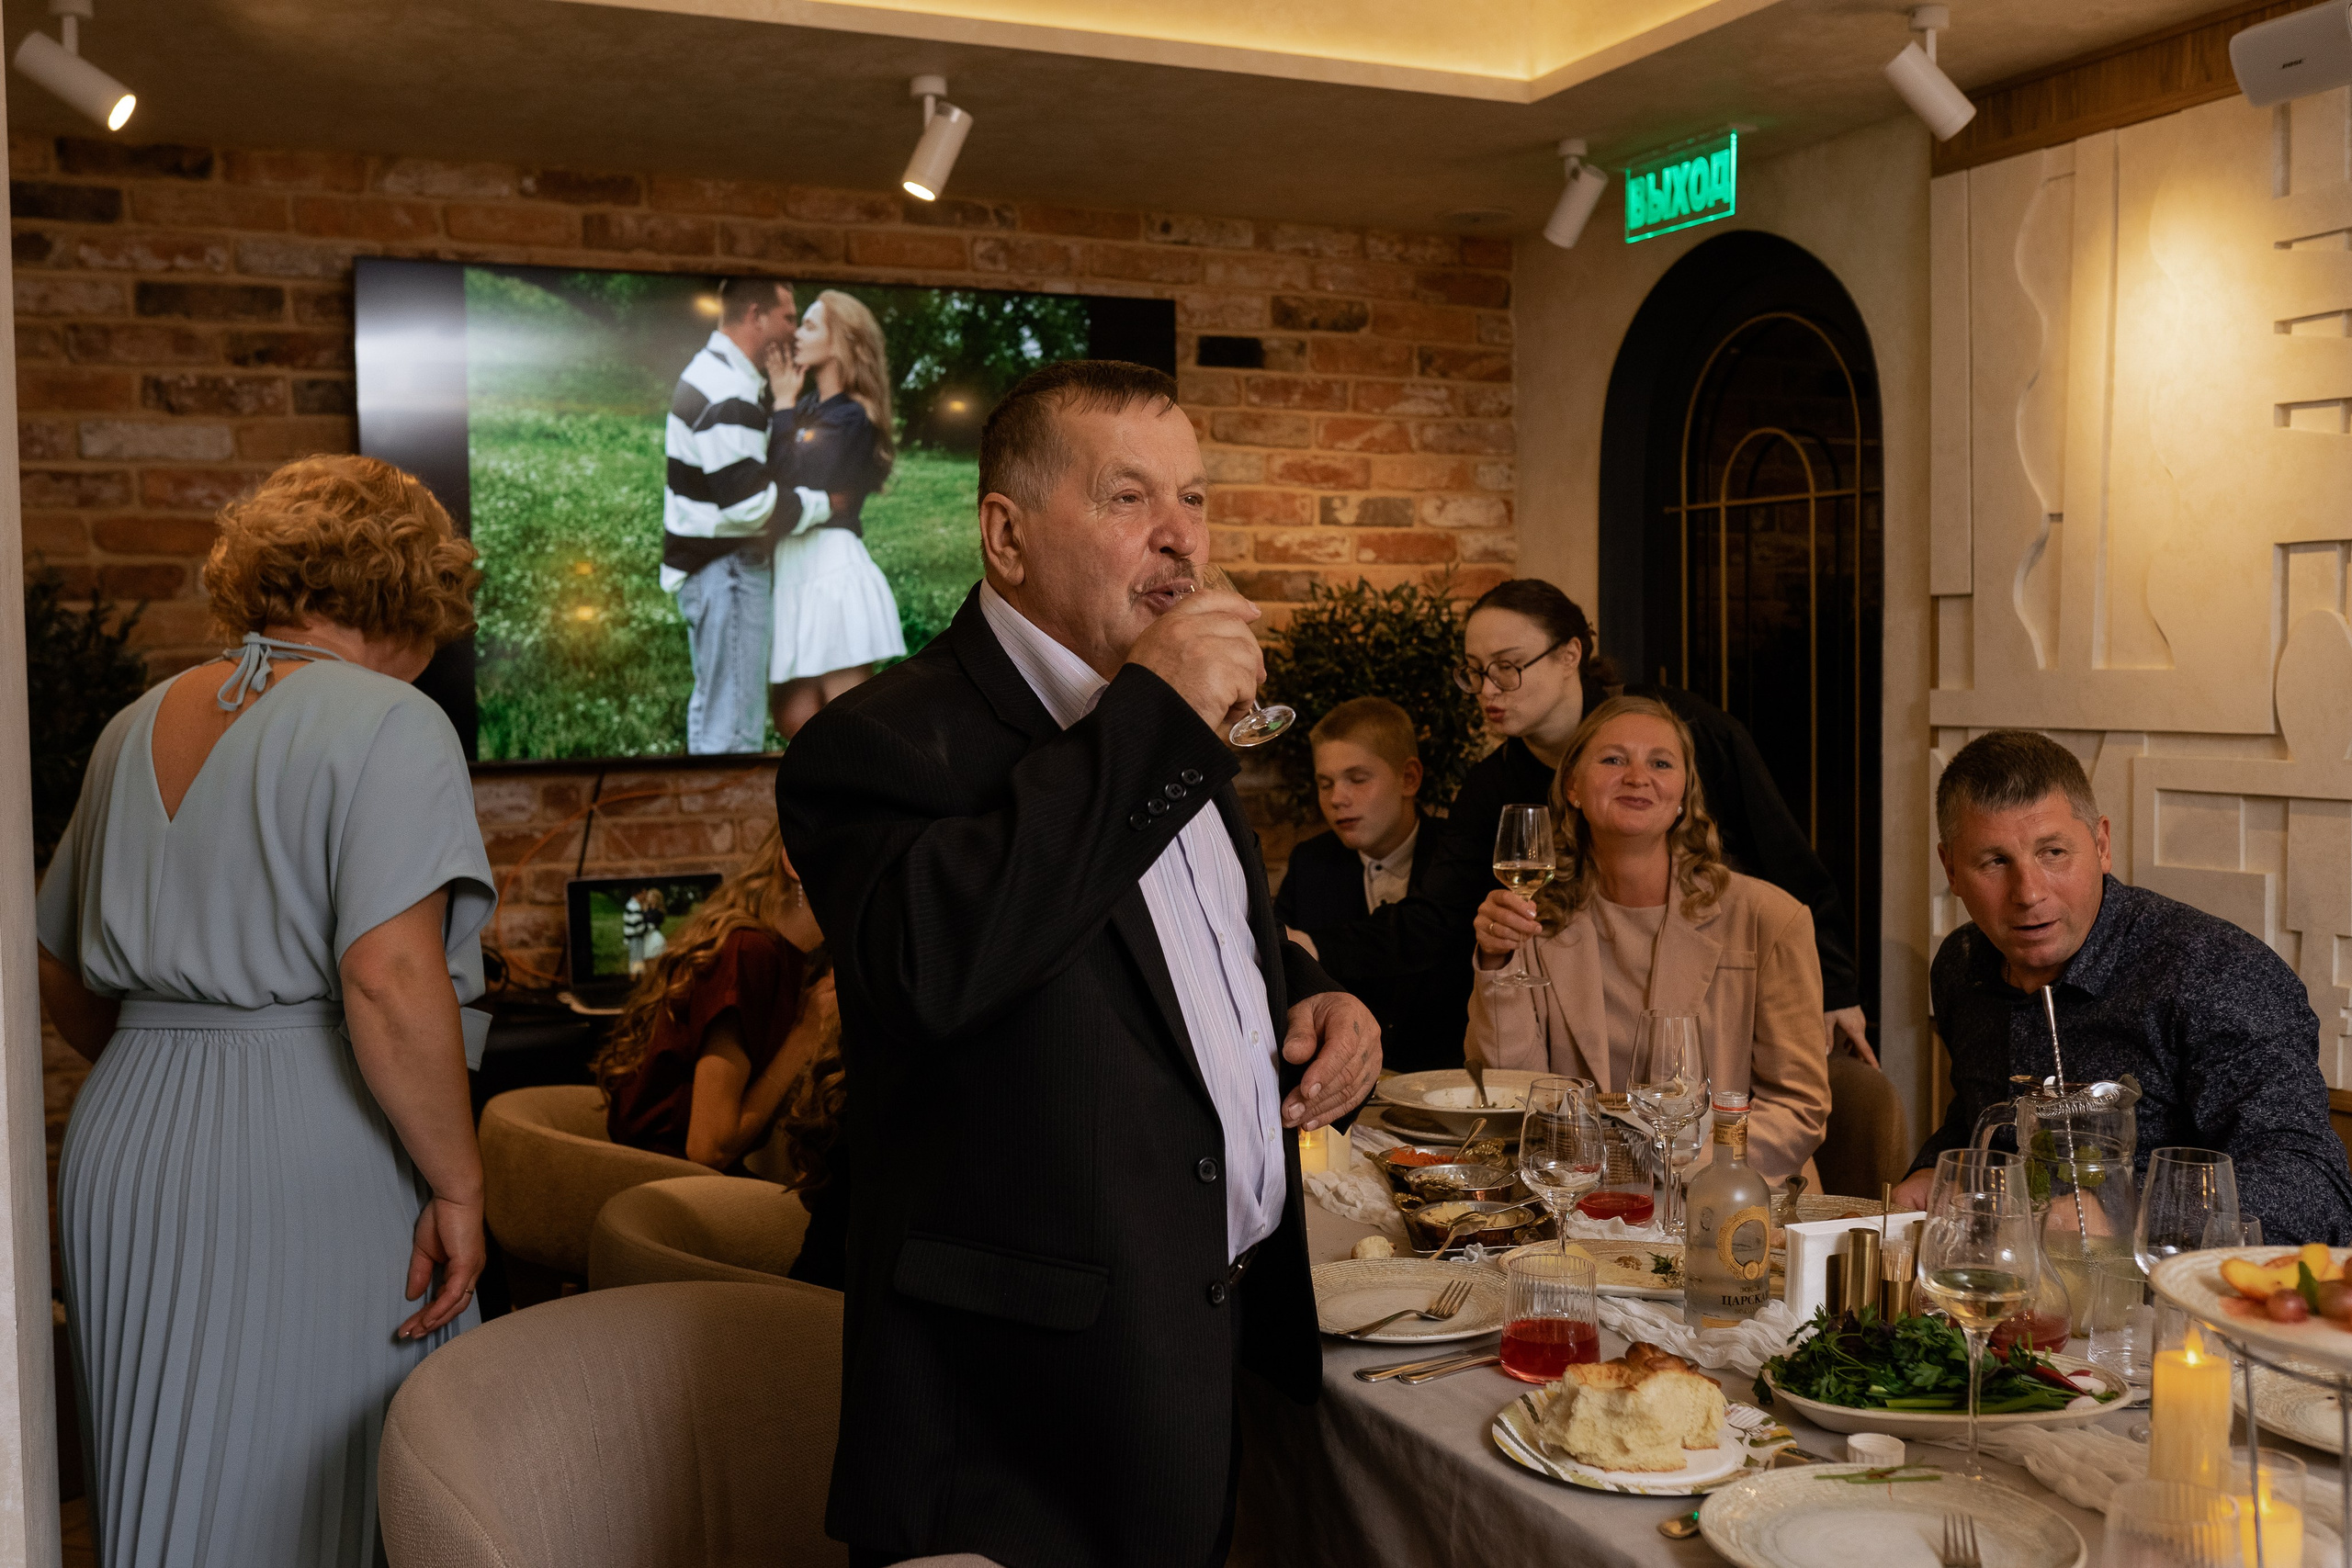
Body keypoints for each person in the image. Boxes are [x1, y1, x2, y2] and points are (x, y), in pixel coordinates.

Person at [775, 358, 1380, 1568]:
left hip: (1208, 1366)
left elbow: (1202, 959)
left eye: (1196, 499)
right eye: (1128, 498)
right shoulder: (879, 743)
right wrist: (1153, 716)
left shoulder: (1179, 735)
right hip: (1021, 1438)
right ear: (1006, 535)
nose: (1180, 538)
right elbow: (930, 969)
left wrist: (1313, 999)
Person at [36, 455, 493, 1567]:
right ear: (410, 589)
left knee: (164, 1481)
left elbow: (54, 966)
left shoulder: (135, 722)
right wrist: (459, 1184)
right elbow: (388, 980)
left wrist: (166, 1053)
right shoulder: (393, 720)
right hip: (307, 1140)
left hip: (125, 1138)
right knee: (334, 1488)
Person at [1298, 578, 1871, 1071]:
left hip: (1719, 990)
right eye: (1475, 673)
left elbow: (1787, 861)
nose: (1489, 691)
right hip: (1587, 1022)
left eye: (1507, 668)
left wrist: (1836, 988)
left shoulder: (1682, 732)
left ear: (1570, 655)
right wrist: (1315, 944)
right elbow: (1437, 920)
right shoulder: (1492, 785)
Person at [1891, 730, 2352, 1243]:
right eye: (1995, 862)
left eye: (2054, 852)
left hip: (2166, 1308)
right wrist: (1936, 1170)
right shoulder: (1963, 964)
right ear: (1952, 869)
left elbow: (2314, 1190)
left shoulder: (2216, 973)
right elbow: (1983, 1115)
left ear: (2102, 844)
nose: (2029, 893)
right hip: (2003, 1290)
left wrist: (2120, 1210)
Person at [1466, 696, 1831, 1183]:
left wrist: (1682, 1175)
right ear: (1572, 786)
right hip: (1581, 1195)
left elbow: (1798, 1107)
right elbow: (1513, 1089)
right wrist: (1497, 961)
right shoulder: (1536, 916)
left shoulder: (1768, 918)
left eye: (1660, 763)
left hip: (1730, 1196)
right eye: (1614, 759)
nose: (1637, 776)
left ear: (1683, 796)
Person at [594, 825, 838, 1176]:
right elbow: (709, 1148)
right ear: (795, 863)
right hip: (670, 1189)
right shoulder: (749, 952)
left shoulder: (785, 957)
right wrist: (806, 1033)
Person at [662, 276, 835, 755]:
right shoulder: (728, 392)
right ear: (756, 315)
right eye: (787, 317)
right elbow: (747, 506)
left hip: (716, 570)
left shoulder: (719, 374)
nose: (794, 329)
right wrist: (822, 504)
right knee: (734, 733)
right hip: (730, 570)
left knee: (716, 712)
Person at [1274, 697, 1458, 1070]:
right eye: (1325, 784)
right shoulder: (1310, 863)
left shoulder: (1454, 857)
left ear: (1410, 778)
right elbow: (1283, 975)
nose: (1337, 799)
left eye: (1357, 779)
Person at [763, 288, 907, 738]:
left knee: (852, 725)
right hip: (794, 566)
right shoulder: (810, 406)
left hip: (829, 568)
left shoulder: (852, 418)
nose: (796, 335)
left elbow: (793, 479)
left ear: (840, 340)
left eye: (809, 326)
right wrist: (788, 405)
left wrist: (783, 405)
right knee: (794, 719)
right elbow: (769, 478)